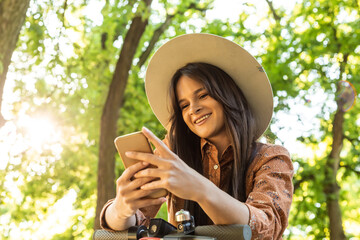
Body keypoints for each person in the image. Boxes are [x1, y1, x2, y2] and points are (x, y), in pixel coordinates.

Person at [100, 34, 294, 239]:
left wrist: (199, 188)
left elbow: (266, 225)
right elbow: (132, 222)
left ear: (229, 95)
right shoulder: (173, 155)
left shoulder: (272, 158)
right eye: (184, 105)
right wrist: (121, 209)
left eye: (203, 95)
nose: (194, 109)